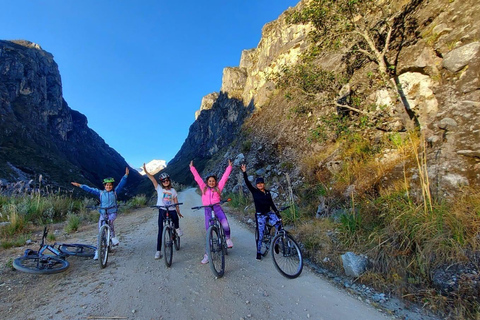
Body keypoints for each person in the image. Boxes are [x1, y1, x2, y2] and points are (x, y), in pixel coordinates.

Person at [71, 167, 129, 260]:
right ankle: (98, 252)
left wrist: (126, 175)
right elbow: (89, 189)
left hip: (112, 212)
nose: (108, 187)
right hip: (103, 213)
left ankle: (113, 237)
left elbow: (121, 184)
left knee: (110, 222)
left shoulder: (115, 192)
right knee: (100, 231)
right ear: (104, 186)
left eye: (110, 185)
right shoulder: (101, 193)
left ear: (112, 186)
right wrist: (79, 185)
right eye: (107, 185)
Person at [190, 159, 233, 264]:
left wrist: (229, 167)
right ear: (207, 182)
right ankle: (207, 254)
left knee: (225, 224)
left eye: (213, 181)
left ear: (215, 182)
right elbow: (197, 178)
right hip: (208, 210)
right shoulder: (203, 188)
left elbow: (224, 178)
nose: (211, 182)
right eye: (209, 181)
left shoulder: (218, 188)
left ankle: (227, 239)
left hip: (217, 208)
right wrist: (192, 168)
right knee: (209, 232)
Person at [241, 163, 281, 261]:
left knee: (279, 225)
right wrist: (244, 172)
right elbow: (247, 183)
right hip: (260, 215)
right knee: (261, 234)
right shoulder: (255, 192)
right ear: (256, 185)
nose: (260, 185)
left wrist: (276, 212)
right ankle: (258, 252)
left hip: (269, 213)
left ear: (264, 184)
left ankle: (276, 243)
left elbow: (271, 203)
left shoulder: (268, 192)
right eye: (258, 184)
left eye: (261, 183)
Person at [143, 164, 183, 260]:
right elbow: (153, 179)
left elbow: (176, 202)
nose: (166, 182)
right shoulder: (159, 189)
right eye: (164, 181)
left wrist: (179, 211)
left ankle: (177, 229)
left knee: (175, 218)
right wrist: (146, 171)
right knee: (160, 230)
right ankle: (158, 251)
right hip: (162, 210)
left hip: (172, 209)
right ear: (161, 182)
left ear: (169, 181)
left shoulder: (173, 191)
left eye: (167, 180)